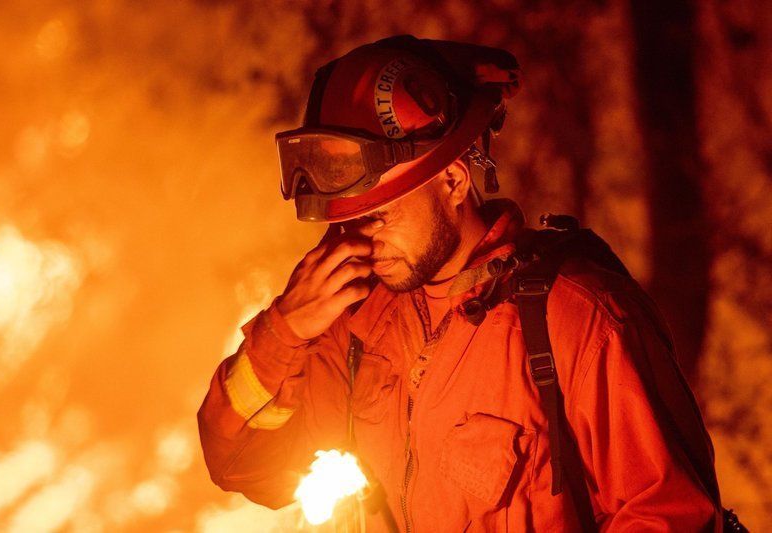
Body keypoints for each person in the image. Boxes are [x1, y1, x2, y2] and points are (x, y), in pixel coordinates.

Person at [197, 35, 722, 531]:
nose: (361, 240)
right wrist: (285, 330)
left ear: (452, 181)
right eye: (347, 221)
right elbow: (246, 467)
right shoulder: (360, 327)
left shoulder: (580, 321)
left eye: (379, 215)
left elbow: (670, 516)